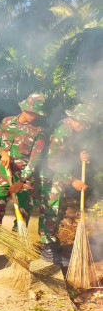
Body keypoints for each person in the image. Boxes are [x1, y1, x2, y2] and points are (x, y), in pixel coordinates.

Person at [0, 93, 46, 264]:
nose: (34, 117)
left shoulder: (39, 131)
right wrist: (2, 152)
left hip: (24, 180)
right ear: (23, 108)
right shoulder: (6, 122)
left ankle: (15, 252)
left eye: (37, 114)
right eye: (31, 113)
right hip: (2, 177)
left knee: (21, 215)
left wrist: (22, 181)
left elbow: (35, 160)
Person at [37, 104, 94, 266]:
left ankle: (52, 243)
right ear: (73, 118)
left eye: (86, 123)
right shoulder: (62, 131)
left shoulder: (72, 130)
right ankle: (48, 250)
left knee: (59, 208)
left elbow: (66, 153)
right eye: (82, 123)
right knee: (51, 209)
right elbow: (53, 161)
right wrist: (72, 180)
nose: (84, 127)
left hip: (59, 176)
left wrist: (80, 156)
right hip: (51, 176)